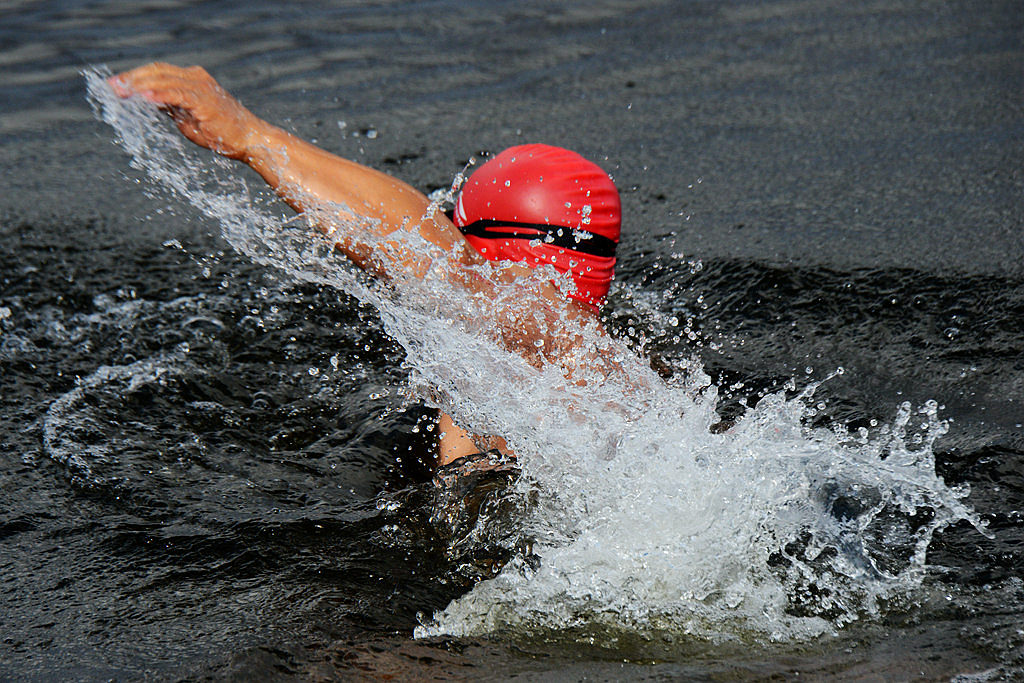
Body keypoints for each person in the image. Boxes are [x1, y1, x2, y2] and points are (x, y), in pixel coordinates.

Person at [110, 63, 626, 468]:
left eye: (450, 226)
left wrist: (249, 135)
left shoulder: (532, 329)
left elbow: (442, 267)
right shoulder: (601, 369)